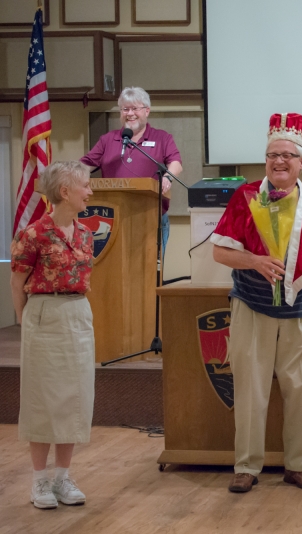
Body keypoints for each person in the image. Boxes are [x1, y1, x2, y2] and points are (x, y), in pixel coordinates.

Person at [211, 113, 302, 493]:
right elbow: (219, 252)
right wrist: (254, 261)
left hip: (300, 310)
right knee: (250, 388)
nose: (279, 161)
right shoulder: (245, 196)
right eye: (272, 155)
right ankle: (247, 466)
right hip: (251, 305)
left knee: (298, 390)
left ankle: (297, 464)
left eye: (287, 155)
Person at [10, 161, 95, 509]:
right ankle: (39, 482)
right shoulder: (33, 235)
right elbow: (17, 282)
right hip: (44, 314)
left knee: (74, 397)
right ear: (65, 192)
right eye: (85, 186)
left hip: (78, 312)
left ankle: (62, 477)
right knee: (42, 399)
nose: (89, 192)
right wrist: (25, 322)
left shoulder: (87, 232)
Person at [80, 86, 182, 255]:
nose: (130, 113)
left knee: (149, 275)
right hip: (112, 218)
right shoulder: (108, 139)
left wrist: (168, 177)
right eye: (125, 109)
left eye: (135, 108)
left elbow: (176, 163)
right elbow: (85, 164)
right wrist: (68, 175)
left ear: (147, 111)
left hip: (151, 216)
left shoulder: (162, 137)